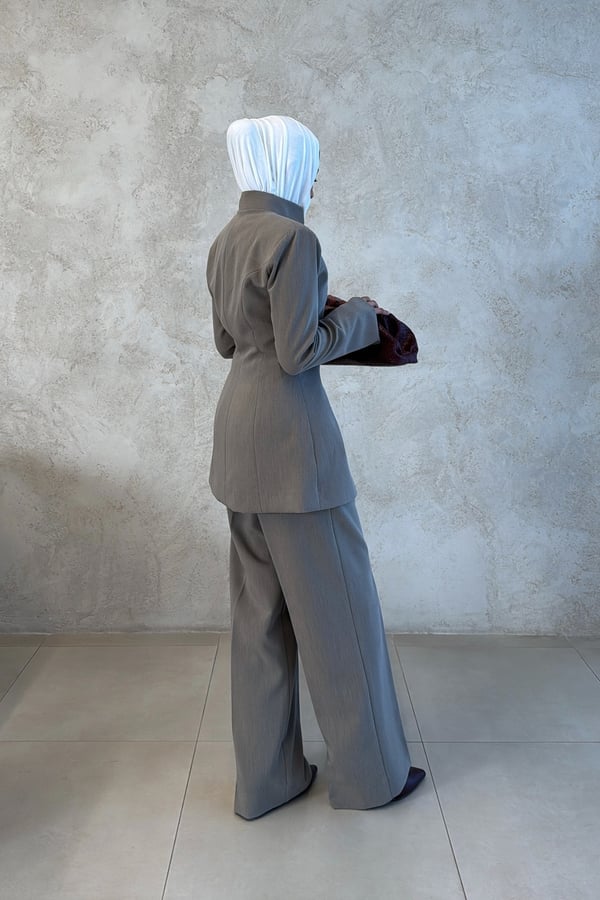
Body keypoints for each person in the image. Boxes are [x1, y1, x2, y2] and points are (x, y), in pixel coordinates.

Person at [206, 114, 425, 820]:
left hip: (237, 440)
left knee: (258, 623)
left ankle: (265, 783)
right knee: (341, 618)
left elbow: (226, 342)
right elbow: (299, 352)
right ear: (291, 165)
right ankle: (372, 779)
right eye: (314, 165)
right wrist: (359, 315)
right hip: (293, 447)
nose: (317, 179)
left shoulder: (226, 238)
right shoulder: (293, 238)